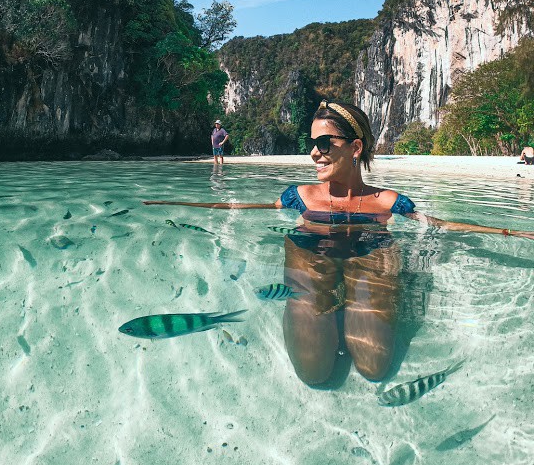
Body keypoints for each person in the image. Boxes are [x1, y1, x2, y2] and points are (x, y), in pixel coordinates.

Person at [145, 99, 534, 387]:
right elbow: (245, 205)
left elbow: (440, 223)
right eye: (312, 142)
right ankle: (331, 300)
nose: (315, 152)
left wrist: (509, 232)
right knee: (314, 372)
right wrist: (175, 203)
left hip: (372, 258)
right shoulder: (300, 195)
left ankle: (354, 298)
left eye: (326, 143)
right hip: (309, 256)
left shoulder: (388, 202)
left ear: (355, 147)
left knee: (373, 367)